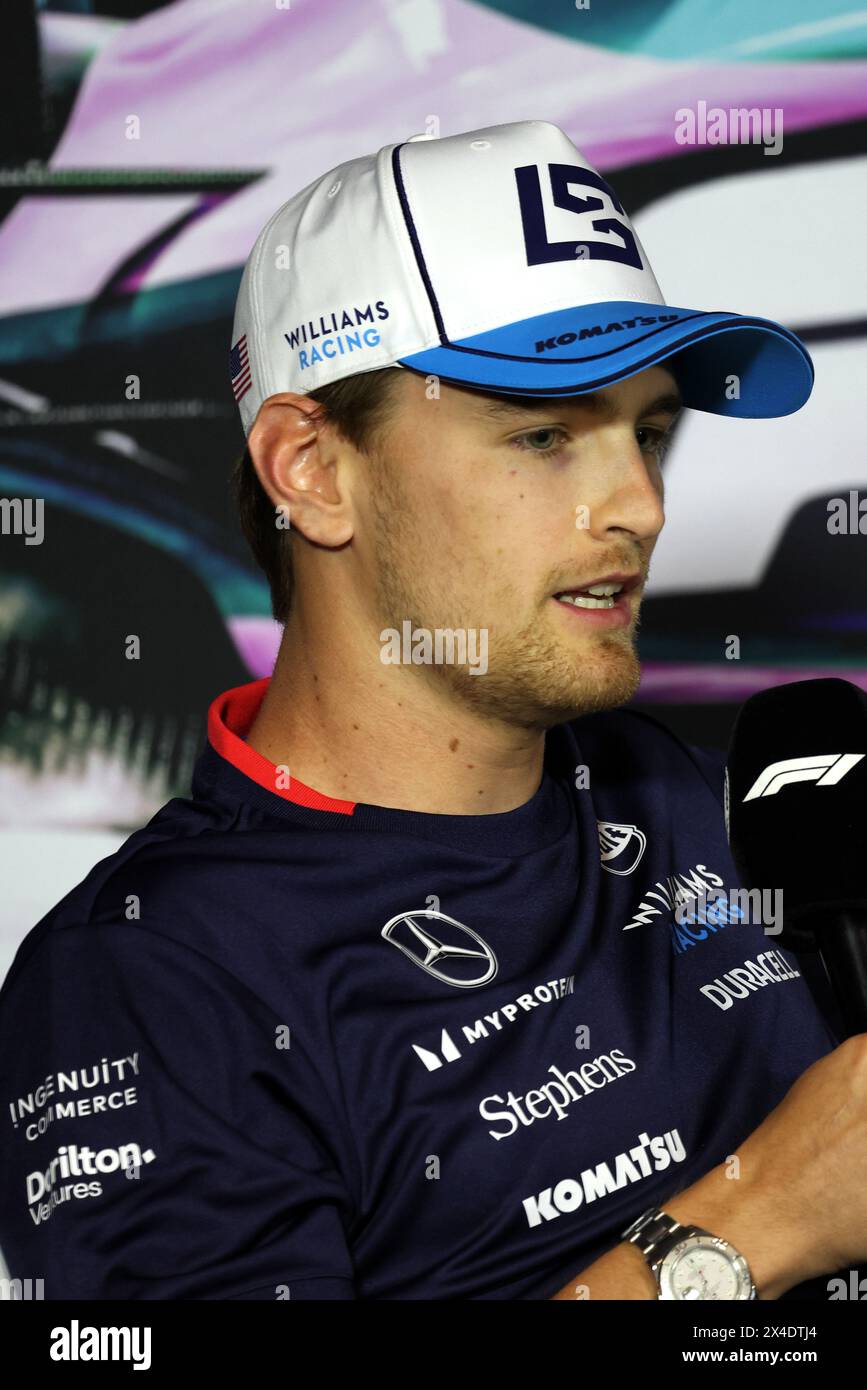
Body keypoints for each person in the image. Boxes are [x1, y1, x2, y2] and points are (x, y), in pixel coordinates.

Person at [1, 119, 865, 1302]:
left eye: (650, 432)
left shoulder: (681, 780)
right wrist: (754, 1226)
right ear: (313, 468)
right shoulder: (147, 982)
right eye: (545, 434)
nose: (641, 505)